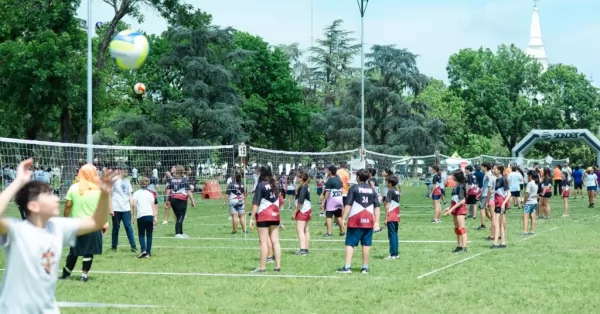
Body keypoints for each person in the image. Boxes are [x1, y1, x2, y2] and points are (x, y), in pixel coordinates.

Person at [0, 158, 114, 312]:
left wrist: (105, 195)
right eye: (49, 196)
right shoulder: (17, 231)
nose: (56, 199)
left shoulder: (58, 227)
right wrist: (18, 181)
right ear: (33, 206)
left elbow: (96, 222)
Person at [59, 164, 109, 282]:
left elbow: (67, 205)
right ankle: (84, 275)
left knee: (73, 251)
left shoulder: (74, 188)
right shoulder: (99, 190)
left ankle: (66, 274)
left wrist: (65, 219)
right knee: (88, 252)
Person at [337, 169, 380, 274]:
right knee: (366, 244)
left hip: (355, 219)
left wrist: (343, 218)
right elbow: (377, 207)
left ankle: (347, 267)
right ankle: (365, 267)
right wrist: (377, 221)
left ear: (357, 178)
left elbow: (348, 204)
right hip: (369, 219)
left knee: (350, 243)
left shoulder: (354, 188)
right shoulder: (372, 190)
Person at [250, 166, 282, 272]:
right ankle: (277, 266)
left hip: (264, 215)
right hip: (275, 215)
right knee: (276, 242)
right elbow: (280, 201)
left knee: (263, 242)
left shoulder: (261, 185)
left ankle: (262, 267)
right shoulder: (275, 185)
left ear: (262, 173)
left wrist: (252, 218)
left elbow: (256, 203)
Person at [110, 166, 137, 252]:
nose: (126, 172)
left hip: (126, 209)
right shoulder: (114, 180)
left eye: (127, 170)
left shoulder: (127, 181)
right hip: (116, 209)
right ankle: (114, 246)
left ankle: (133, 246)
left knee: (128, 227)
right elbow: (109, 194)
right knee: (115, 227)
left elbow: (130, 196)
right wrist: (110, 208)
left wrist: (133, 211)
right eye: (125, 170)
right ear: (120, 170)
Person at [166, 165, 196, 238]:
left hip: (173, 199)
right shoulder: (184, 180)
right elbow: (188, 192)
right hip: (181, 199)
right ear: (182, 171)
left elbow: (168, 191)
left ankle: (181, 232)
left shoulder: (171, 179)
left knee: (178, 216)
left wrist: (167, 201)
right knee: (181, 217)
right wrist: (193, 201)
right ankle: (177, 234)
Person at [132, 177, 158, 258]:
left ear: (139, 184)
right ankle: (148, 252)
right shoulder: (150, 194)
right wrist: (155, 217)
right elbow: (153, 206)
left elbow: (133, 204)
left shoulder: (136, 193)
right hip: (149, 215)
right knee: (149, 234)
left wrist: (133, 215)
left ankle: (143, 250)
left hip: (141, 215)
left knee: (141, 234)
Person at [443, 169, 468, 252]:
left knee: (462, 228)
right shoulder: (456, 186)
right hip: (455, 209)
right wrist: (449, 208)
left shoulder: (460, 186)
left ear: (457, 177)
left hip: (460, 210)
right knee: (457, 229)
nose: (452, 176)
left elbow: (462, 201)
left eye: (453, 175)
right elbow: (455, 199)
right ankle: (459, 246)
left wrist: (452, 209)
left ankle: (464, 247)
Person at [321, 165, 346, 237]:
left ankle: (329, 233)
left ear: (330, 171)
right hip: (339, 200)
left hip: (332, 201)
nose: (327, 172)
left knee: (329, 216)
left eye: (328, 170)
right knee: (338, 217)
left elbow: (328, 192)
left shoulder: (330, 180)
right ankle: (342, 232)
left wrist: (323, 202)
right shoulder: (339, 179)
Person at [292, 170, 311, 256]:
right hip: (307, 209)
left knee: (300, 230)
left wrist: (295, 212)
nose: (296, 178)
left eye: (297, 176)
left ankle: (303, 249)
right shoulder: (304, 186)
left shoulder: (303, 187)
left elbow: (301, 202)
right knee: (305, 230)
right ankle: (305, 249)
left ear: (301, 178)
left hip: (303, 210)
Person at [491, 165, 510, 249]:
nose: (493, 170)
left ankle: (495, 243)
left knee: (497, 223)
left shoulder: (502, 179)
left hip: (500, 203)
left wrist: (503, 203)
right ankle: (503, 243)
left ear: (499, 171)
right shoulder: (497, 179)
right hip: (497, 203)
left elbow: (509, 193)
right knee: (501, 224)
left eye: (495, 169)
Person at [384, 175, 400, 259]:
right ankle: (396, 253)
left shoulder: (390, 191)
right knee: (395, 234)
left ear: (390, 183)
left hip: (391, 215)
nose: (386, 183)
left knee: (391, 235)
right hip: (396, 214)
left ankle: (393, 254)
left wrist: (386, 218)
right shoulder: (396, 191)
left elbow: (387, 205)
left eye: (386, 182)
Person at [522, 170, 538, 235]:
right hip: (534, 202)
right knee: (532, 216)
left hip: (529, 202)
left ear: (530, 176)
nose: (527, 177)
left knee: (525, 216)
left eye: (528, 176)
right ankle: (532, 230)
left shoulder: (529, 183)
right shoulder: (536, 183)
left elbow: (527, 194)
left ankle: (525, 230)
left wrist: (523, 202)